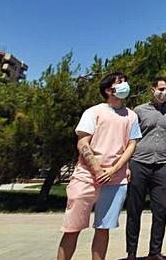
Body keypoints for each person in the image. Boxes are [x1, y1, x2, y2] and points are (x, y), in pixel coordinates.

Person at [58, 72, 142, 260]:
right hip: (86, 177)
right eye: (120, 82)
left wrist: (115, 169)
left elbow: (131, 145)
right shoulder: (93, 112)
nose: (125, 85)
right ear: (108, 89)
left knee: (103, 229)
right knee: (72, 228)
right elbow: (82, 143)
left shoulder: (131, 116)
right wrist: (97, 169)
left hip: (115, 179)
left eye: (125, 82)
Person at [125, 76, 166, 260]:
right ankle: (131, 253)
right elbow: (129, 138)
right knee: (134, 210)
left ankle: (154, 252)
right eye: (161, 89)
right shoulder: (139, 111)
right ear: (153, 89)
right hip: (139, 163)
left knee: (161, 210)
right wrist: (126, 164)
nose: (164, 93)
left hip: (162, 166)